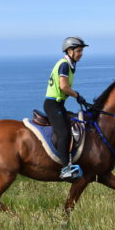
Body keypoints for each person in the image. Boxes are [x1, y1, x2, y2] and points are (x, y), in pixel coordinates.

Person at [44, 37, 88, 180]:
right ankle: (65, 169)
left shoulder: (69, 65)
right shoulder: (64, 65)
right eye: (79, 51)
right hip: (52, 104)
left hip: (58, 104)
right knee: (63, 133)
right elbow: (63, 86)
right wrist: (77, 95)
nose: (81, 53)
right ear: (69, 51)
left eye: (82, 51)